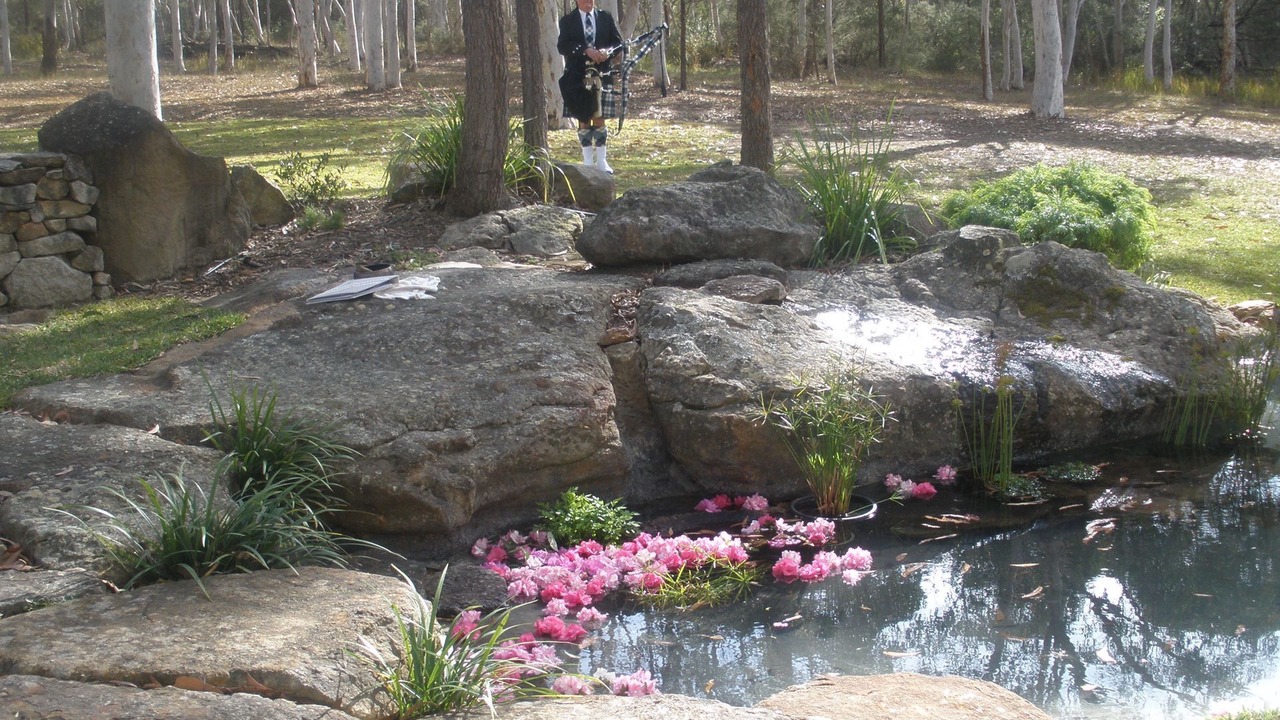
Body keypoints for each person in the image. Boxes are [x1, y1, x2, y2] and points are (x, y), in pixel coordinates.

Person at [558, 0, 623, 174]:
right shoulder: (568, 21)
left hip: (602, 73)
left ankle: (602, 161)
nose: (588, 1)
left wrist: (607, 52)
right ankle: (588, 161)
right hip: (577, 76)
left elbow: (618, 43)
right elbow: (562, 46)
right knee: (583, 117)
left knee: (600, 116)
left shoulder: (605, 18)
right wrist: (585, 50)